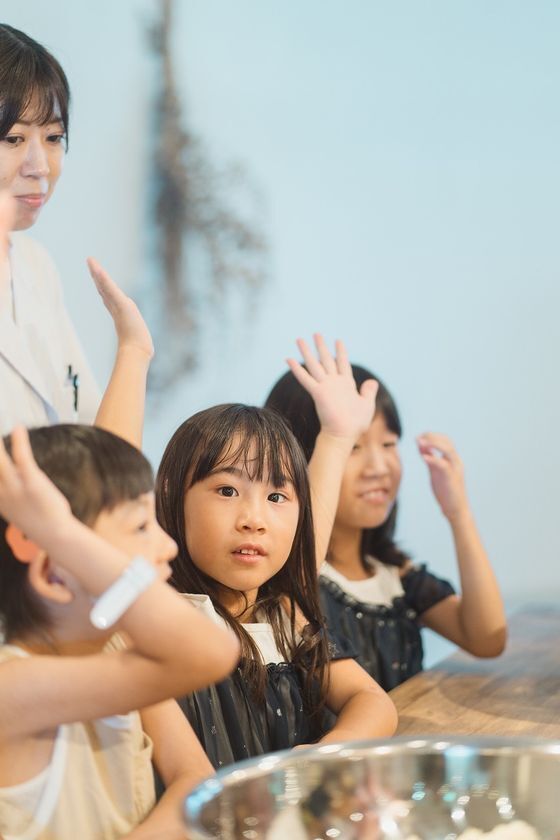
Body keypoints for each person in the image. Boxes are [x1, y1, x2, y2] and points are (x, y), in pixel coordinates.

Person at [155, 341, 397, 769]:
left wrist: (323, 753)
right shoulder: (165, 614)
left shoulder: (283, 617)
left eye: (277, 496)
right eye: (227, 490)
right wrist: (135, 355)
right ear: (174, 499)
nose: (254, 519)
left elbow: (372, 701)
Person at [0, 425, 240, 840]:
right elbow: (211, 652)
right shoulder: (12, 687)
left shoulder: (117, 649)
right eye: (141, 528)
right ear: (53, 573)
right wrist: (58, 534)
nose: (169, 547)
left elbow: (195, 776)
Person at [265, 344, 507, 690]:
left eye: (389, 444)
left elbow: (487, 639)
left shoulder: (395, 576)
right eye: (354, 447)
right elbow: (299, 572)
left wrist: (459, 514)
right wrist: (336, 436)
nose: (378, 468)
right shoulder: (285, 580)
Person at [0, 23, 101, 433]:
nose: (40, 166)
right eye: (13, 138)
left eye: (54, 137)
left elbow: (92, 440)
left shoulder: (36, 267)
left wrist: (134, 350)